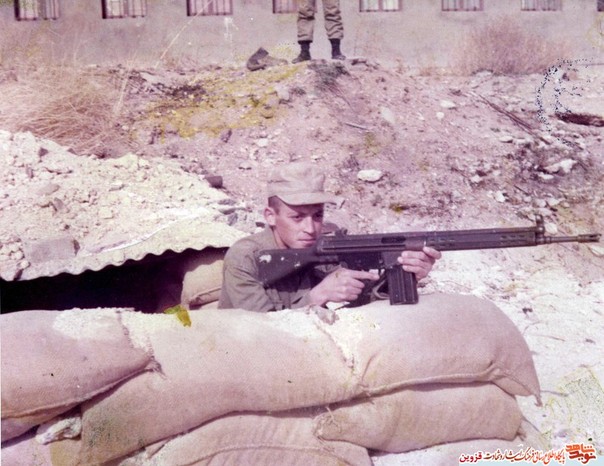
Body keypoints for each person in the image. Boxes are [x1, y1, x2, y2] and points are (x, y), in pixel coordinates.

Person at [218, 163, 441, 312]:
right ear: (270, 216)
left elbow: (366, 305)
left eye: (318, 216)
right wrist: (318, 296)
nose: (310, 228)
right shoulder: (245, 257)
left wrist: (406, 274)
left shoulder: (323, 250)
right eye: (297, 217)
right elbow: (262, 331)